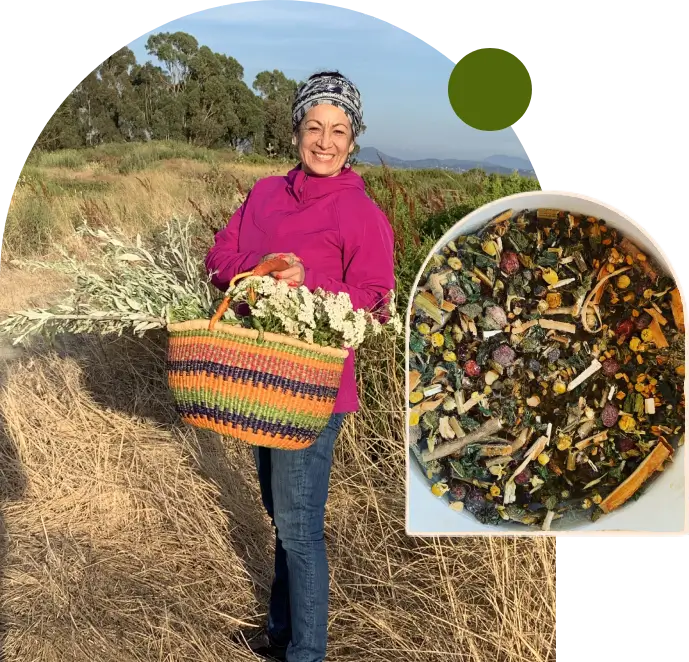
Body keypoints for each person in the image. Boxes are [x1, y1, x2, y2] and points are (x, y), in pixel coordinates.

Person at [204, 71, 396, 662]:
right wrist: (263, 266)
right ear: (296, 130)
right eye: (314, 125)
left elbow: (377, 299)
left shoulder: (360, 212)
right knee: (280, 515)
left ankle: (306, 652)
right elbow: (218, 256)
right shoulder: (264, 193)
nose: (325, 140)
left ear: (353, 139)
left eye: (339, 129)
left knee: (300, 527)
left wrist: (309, 282)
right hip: (258, 379)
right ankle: (281, 632)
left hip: (316, 389)